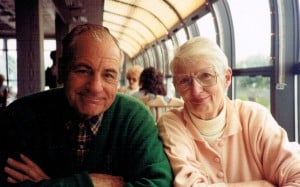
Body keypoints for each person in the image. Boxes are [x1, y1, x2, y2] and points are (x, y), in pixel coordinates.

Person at [0, 24, 173, 187]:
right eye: (82, 71)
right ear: (62, 70)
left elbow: (159, 183)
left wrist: (53, 183)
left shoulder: (134, 117)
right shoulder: (21, 115)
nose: (95, 87)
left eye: (108, 75)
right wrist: (89, 183)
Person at [157, 37, 300, 186]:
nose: (196, 90)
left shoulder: (255, 117)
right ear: (176, 86)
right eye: (184, 81)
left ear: (226, 77)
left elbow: (296, 174)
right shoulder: (172, 124)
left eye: (206, 76)